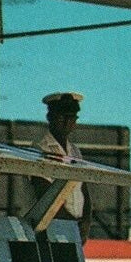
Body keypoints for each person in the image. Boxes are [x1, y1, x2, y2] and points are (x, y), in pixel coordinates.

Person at [31, 90, 93, 242]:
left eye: (72, 117)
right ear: (50, 117)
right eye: (62, 117)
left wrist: (86, 222)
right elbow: (44, 191)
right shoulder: (41, 148)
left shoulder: (75, 151)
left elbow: (83, 189)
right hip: (51, 226)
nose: (67, 122)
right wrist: (72, 224)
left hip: (75, 228)